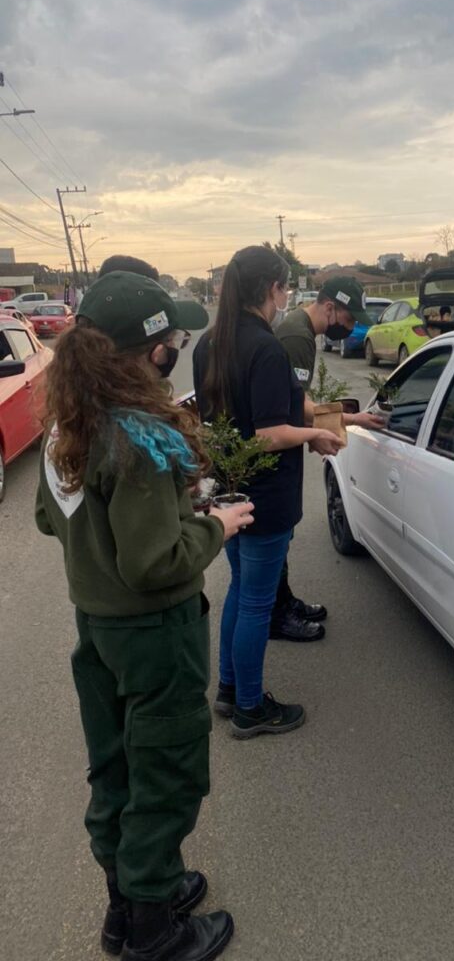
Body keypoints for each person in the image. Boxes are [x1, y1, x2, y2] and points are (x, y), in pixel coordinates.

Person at [35, 271, 253, 961]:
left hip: (95, 628)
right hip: (156, 633)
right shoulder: (138, 433)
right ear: (147, 348)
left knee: (117, 767)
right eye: (173, 341)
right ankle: (155, 932)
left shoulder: (68, 424)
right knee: (166, 773)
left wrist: (124, 526)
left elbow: (49, 518)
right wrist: (216, 524)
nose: (177, 351)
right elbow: (155, 563)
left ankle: (124, 904)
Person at [192, 245, 343, 733]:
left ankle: (230, 690)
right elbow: (269, 433)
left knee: (242, 591)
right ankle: (252, 708)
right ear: (273, 289)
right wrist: (315, 435)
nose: (287, 295)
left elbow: (275, 410)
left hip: (230, 493)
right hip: (268, 496)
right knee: (256, 602)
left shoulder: (210, 343)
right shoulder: (266, 347)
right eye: (285, 286)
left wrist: (337, 417)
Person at [272, 276, 385, 637]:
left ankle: (282, 600)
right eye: (349, 320)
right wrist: (349, 420)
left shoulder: (298, 330)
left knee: (282, 533)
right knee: (277, 533)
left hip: (283, 442)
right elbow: (296, 406)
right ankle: (277, 613)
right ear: (330, 308)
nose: (350, 328)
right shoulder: (297, 336)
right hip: (275, 447)